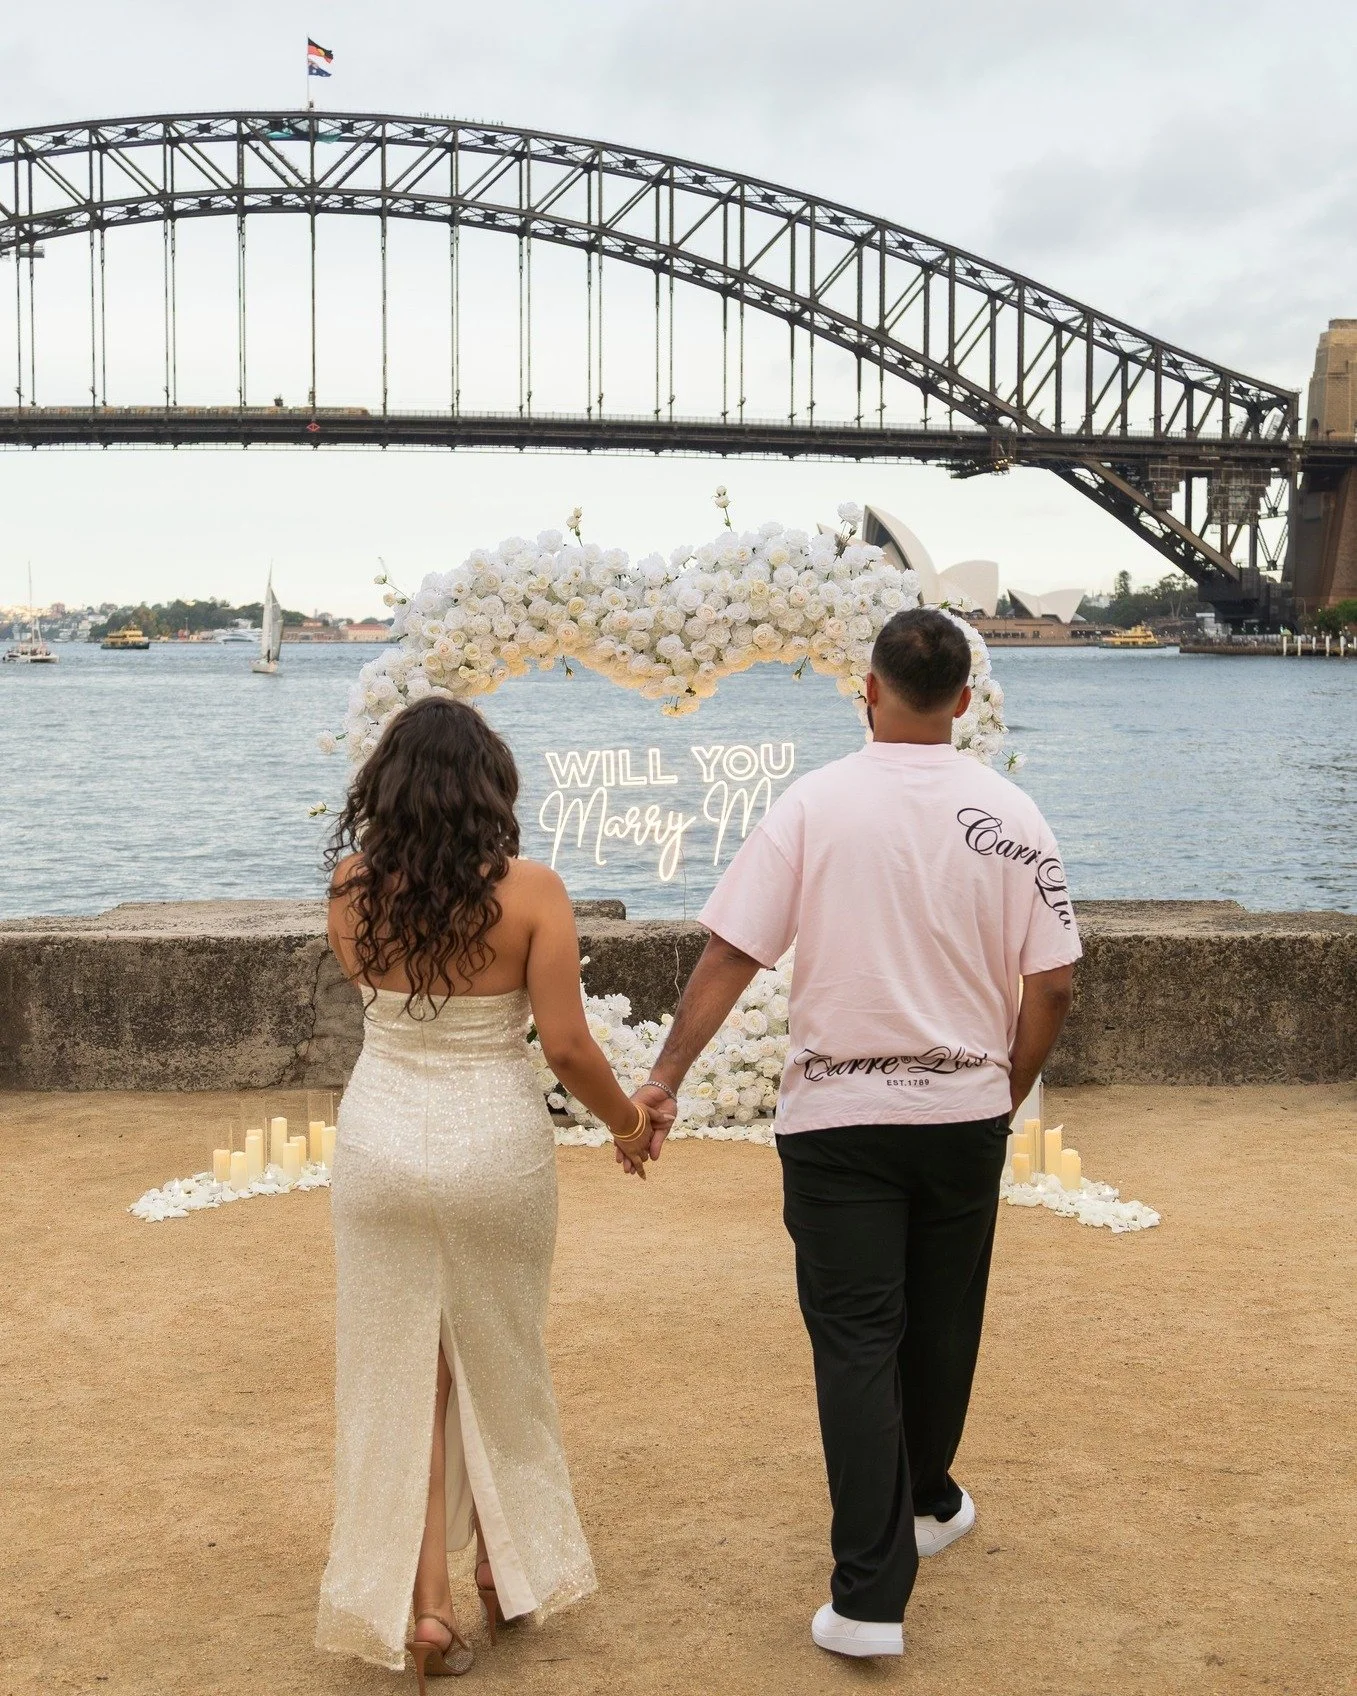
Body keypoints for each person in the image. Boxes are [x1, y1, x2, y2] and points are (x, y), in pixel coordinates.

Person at [631, 607, 1081, 1659]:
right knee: (940, 1322)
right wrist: (1002, 1089)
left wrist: (663, 1076)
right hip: (963, 1107)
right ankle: (924, 1502)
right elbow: (1052, 981)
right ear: (965, 701)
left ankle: (871, 1596)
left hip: (836, 1115)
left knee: (856, 1338)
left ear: (866, 691)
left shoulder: (812, 806)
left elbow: (732, 952)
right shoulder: (1014, 813)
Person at [315, 696, 652, 1688]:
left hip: (378, 1142)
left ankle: (424, 1605)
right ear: (489, 790)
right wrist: (630, 1127)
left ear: (385, 790)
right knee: (499, 1358)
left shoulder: (346, 887)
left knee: (400, 1376)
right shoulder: (535, 890)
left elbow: (385, 1018)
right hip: (492, 1150)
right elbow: (566, 1045)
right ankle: (508, 1570)